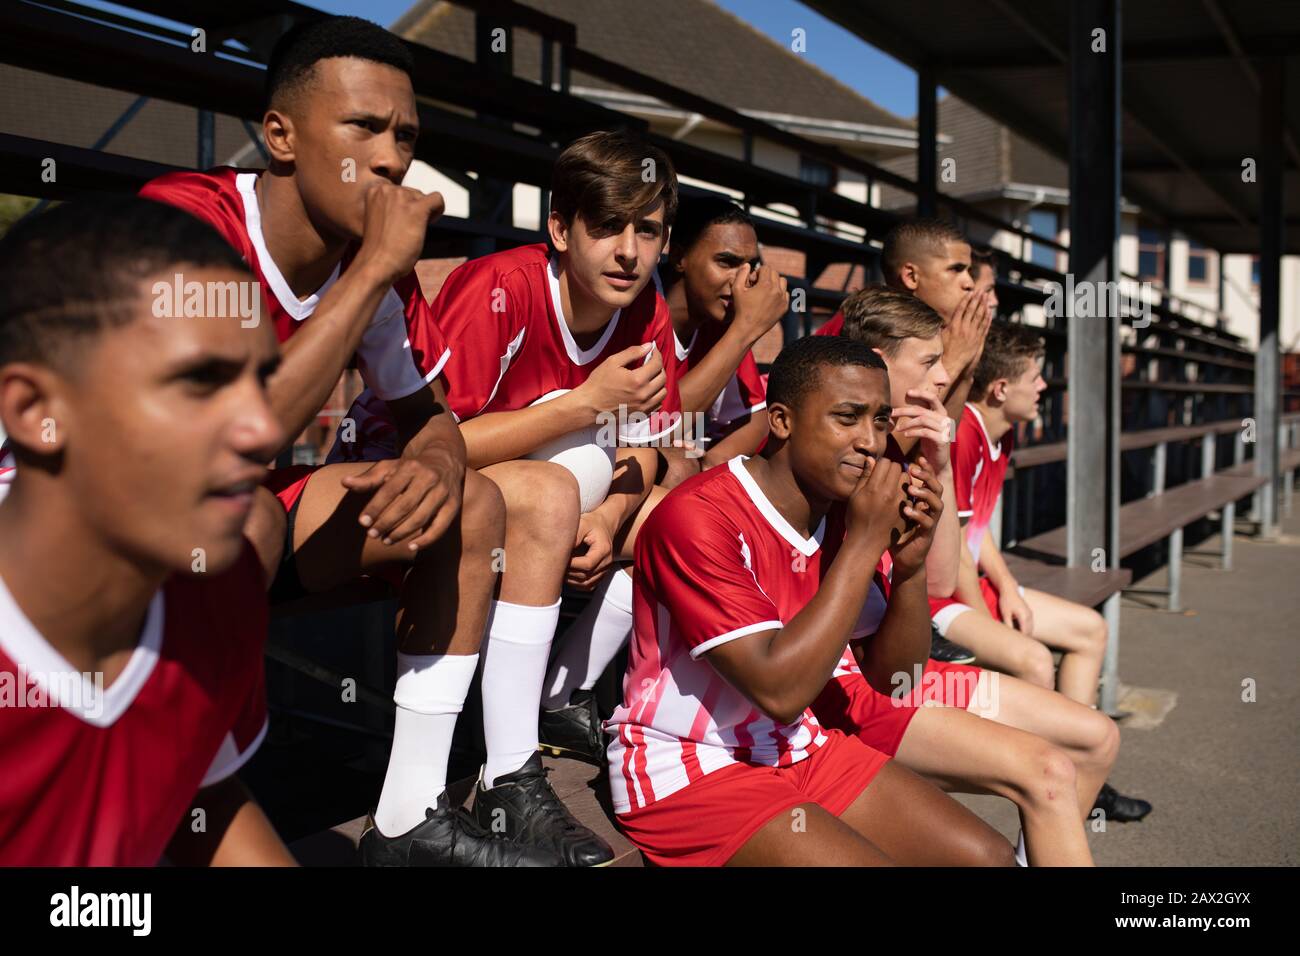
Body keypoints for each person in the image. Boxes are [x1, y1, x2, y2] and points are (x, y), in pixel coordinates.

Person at [139, 16, 553, 866]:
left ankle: (408, 816)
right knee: (237, 517)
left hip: (239, 506)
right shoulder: (188, 223)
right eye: (364, 127)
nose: (394, 158)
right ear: (281, 135)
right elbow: (215, 444)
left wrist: (436, 461)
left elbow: (430, 416)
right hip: (99, 513)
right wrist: (368, 273)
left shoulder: (382, 267)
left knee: (469, 500)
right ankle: (172, 807)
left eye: (406, 136)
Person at [335, 129, 684, 866]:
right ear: (560, 227)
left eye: (647, 230)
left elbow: (655, 444)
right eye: (607, 226)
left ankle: (537, 736)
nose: (628, 250)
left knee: (658, 511)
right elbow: (430, 445)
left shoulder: (646, 308)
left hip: (527, 486)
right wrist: (585, 404)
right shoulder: (501, 286)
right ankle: (504, 770)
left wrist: (615, 511)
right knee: (558, 486)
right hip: (391, 483)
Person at [606, 334, 1015, 866]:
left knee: (988, 857)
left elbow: (896, 679)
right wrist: (867, 543)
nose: (870, 442)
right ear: (781, 421)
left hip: (795, 744)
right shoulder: (700, 517)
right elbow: (779, 691)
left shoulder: (841, 512)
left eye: (880, 421)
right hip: (688, 764)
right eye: (848, 418)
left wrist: (910, 569)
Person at [0, 197, 295, 865]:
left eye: (261, 379)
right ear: (35, 409)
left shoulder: (222, 589)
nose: (266, 430)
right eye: (200, 380)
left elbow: (207, 797)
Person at [538, 197, 787, 762]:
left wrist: (705, 462)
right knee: (683, 508)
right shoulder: (640, 310)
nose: (741, 281)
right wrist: (746, 330)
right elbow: (666, 418)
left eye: (751, 267)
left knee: (702, 501)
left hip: (616, 486)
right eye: (725, 262)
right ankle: (561, 699)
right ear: (675, 255)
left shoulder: (716, 330)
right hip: (554, 479)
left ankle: (567, 696)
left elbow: (758, 416)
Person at [930, 320, 1153, 823]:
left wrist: (1007, 586)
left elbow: (975, 531)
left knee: (1089, 629)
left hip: (975, 585)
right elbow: (954, 552)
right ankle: (1050, 786)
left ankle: (1081, 775)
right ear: (1001, 388)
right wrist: (983, 613)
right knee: (1032, 659)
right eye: (1036, 377)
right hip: (936, 601)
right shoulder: (963, 434)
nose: (1044, 387)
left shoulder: (1002, 436)